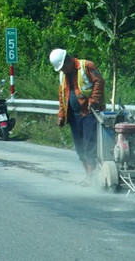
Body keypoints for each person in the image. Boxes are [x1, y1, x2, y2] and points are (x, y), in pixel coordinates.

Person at [49, 48, 105, 185]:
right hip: (74, 116)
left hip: (89, 114)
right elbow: (62, 96)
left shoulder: (86, 66)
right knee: (80, 148)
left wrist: (93, 100)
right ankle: (89, 175)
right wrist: (61, 114)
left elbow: (99, 82)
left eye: (63, 67)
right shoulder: (63, 75)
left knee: (89, 146)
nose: (62, 70)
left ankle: (92, 176)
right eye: (60, 68)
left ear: (68, 60)